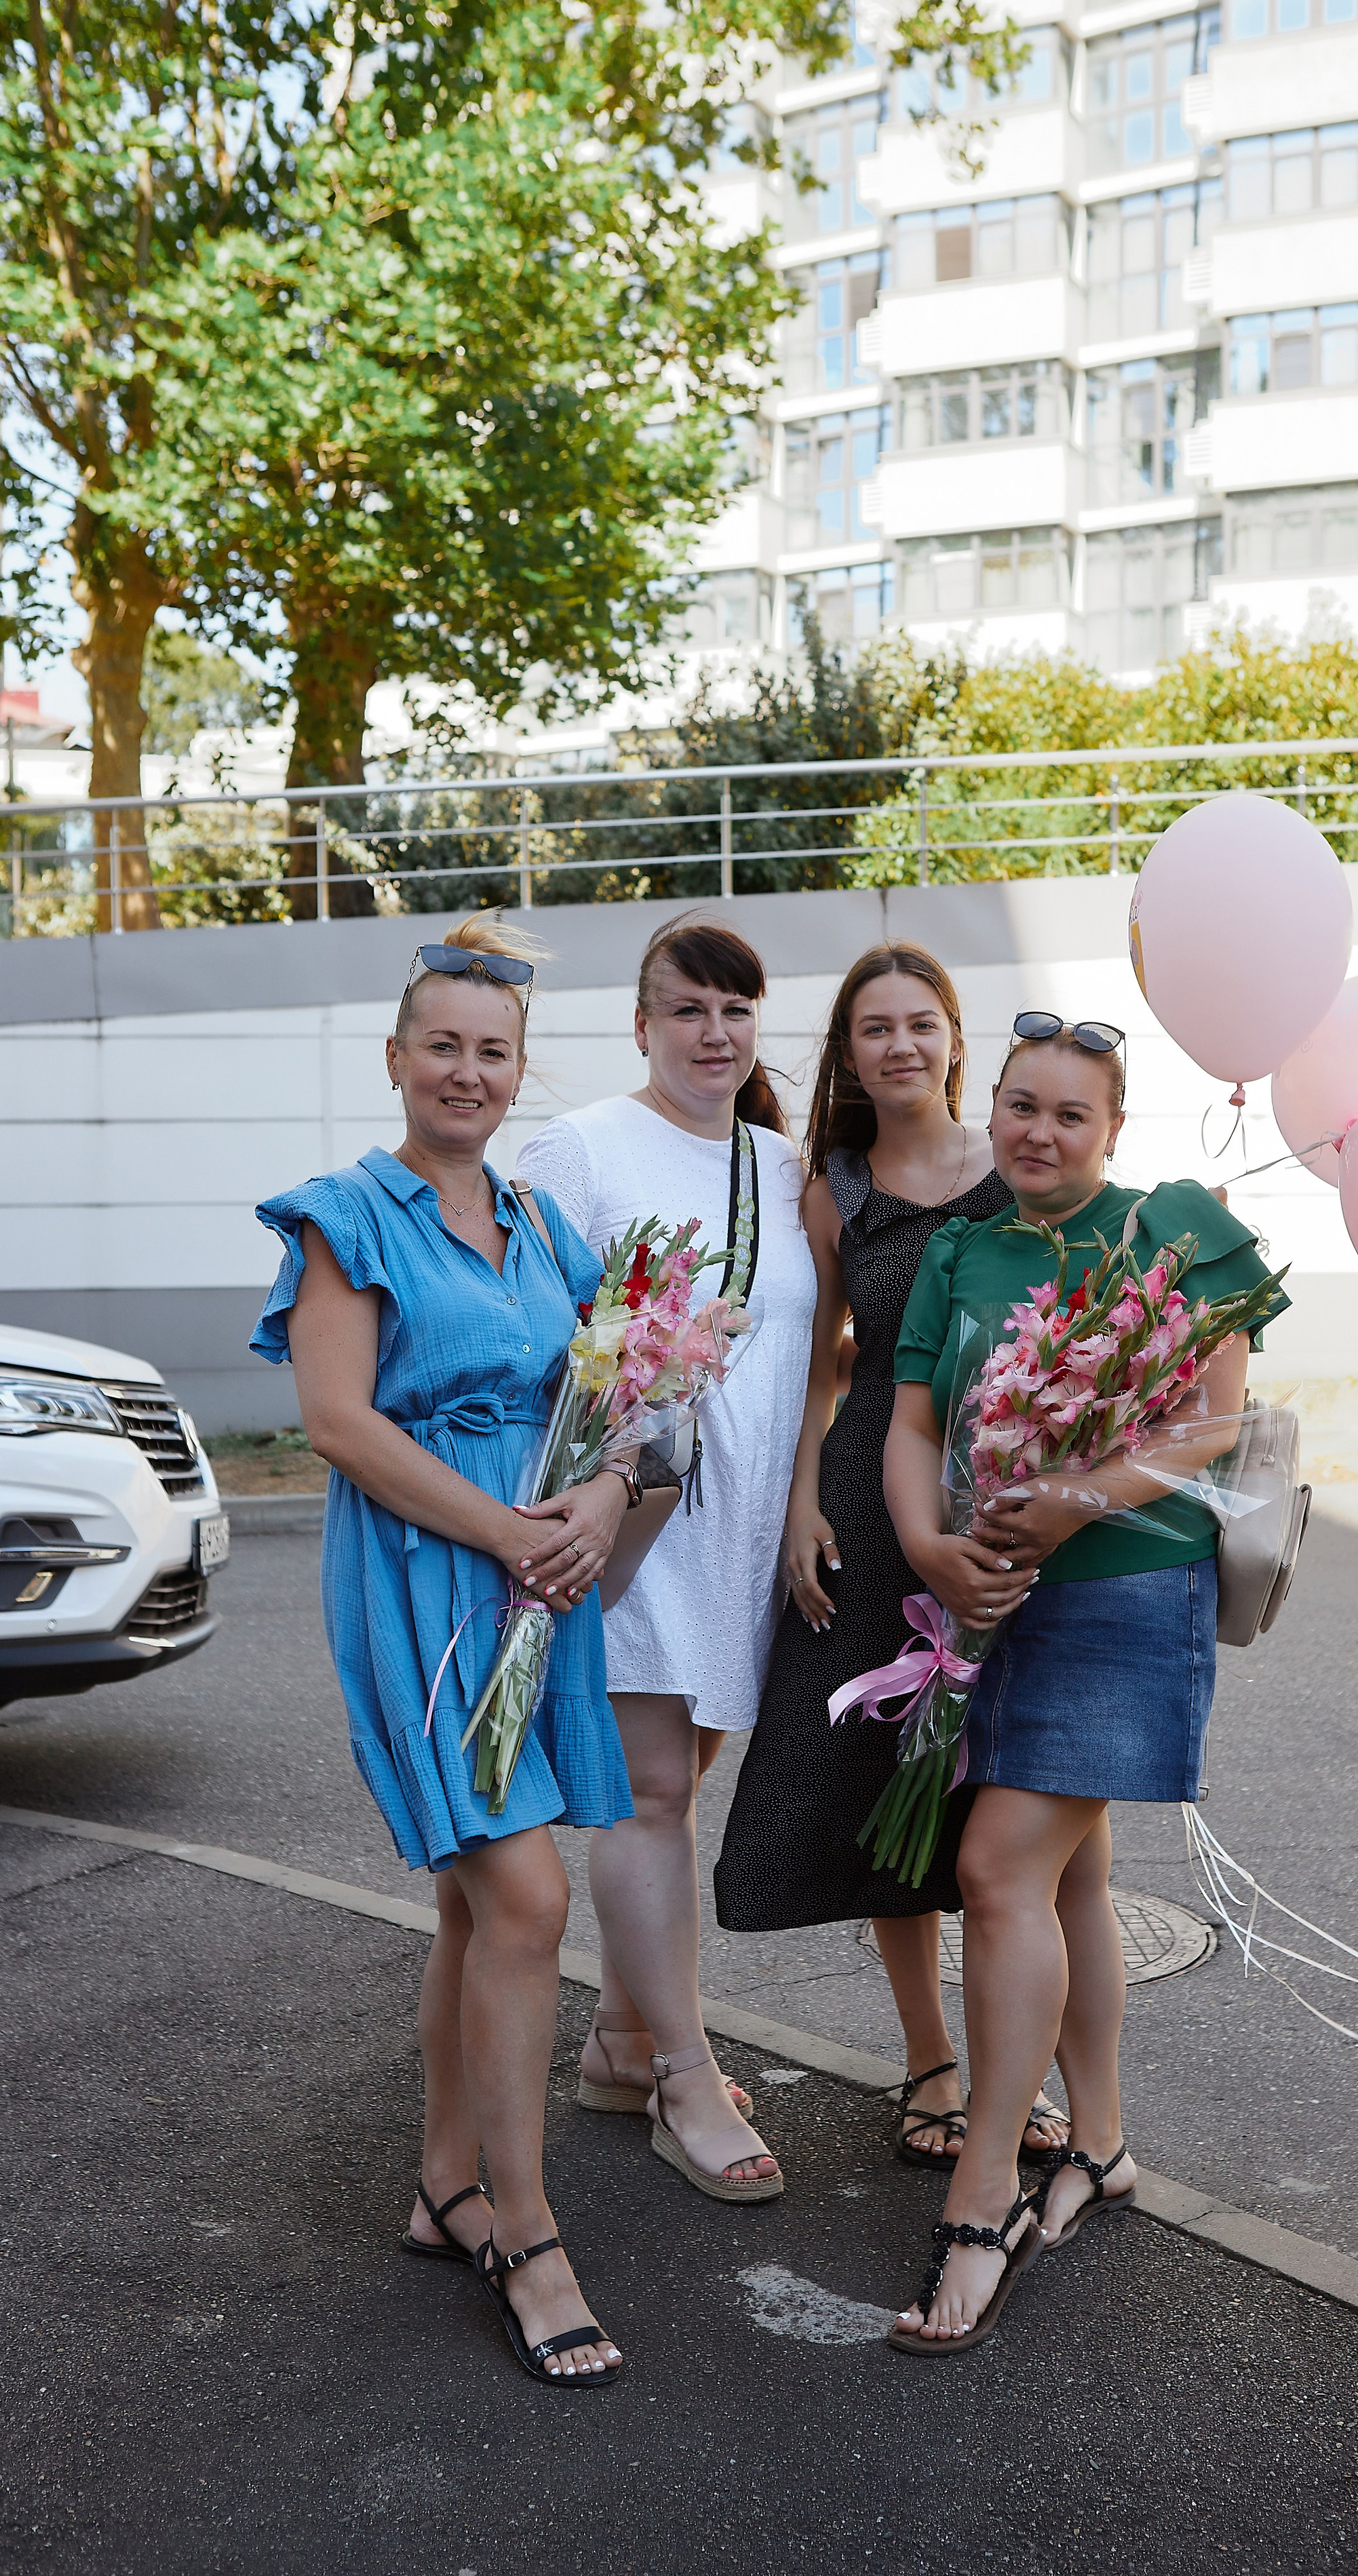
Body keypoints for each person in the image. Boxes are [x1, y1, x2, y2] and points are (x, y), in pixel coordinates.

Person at [250, 914, 633, 2388]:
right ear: (397, 1057)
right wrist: (505, 1529)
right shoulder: (347, 1214)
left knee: (484, 1909)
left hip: (537, 1576)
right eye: (442, 1046)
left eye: (492, 1051)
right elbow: (338, 1424)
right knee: (525, 1894)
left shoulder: (542, 1227)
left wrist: (596, 1499)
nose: (465, 1071)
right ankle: (525, 2232)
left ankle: (445, 2184)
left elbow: (616, 1393)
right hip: (426, 1580)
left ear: (518, 1068)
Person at [880, 1016, 1288, 2355]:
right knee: (1068, 1878)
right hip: (993, 1594)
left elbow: (1208, 1420)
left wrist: (1061, 1509)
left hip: (1121, 1592)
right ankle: (1098, 2144)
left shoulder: (1168, 1229)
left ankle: (983, 2186)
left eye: (1067, 1113)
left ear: (1110, 1128)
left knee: (998, 1871)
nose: (1037, 1132)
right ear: (986, 1111)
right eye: (1017, 1106)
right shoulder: (957, 1248)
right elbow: (914, 1426)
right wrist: (933, 1549)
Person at [716, 943, 1071, 2171]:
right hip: (877, 1491)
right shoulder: (839, 1188)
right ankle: (930, 2062)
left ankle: (1028, 2080)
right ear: (849, 1055)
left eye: (921, 1024)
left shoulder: (1013, 1163)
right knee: (882, 1779)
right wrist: (802, 1506)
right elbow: (826, 1363)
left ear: (954, 1038)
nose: (900, 1047)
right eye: (875, 1029)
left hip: (1016, 1492)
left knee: (1018, 1800)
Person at [517, 914, 817, 2201]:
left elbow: (823, 1353)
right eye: (686, 1010)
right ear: (642, 1025)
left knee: (682, 1778)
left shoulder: (784, 1159)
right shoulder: (581, 1147)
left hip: (747, 1526)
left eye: (734, 1012)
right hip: (637, 1514)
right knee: (649, 1793)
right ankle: (687, 2076)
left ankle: (621, 2044)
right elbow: (528, 1331)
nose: (713, 1034)